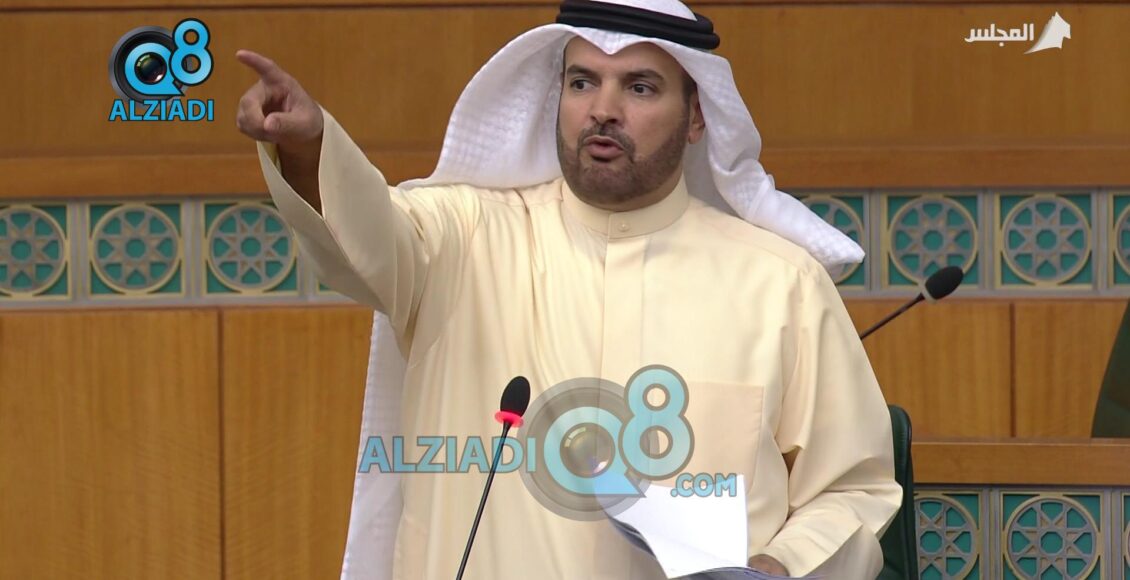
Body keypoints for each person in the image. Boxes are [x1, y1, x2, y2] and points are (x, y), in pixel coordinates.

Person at [236, 0, 901, 578]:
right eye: (583, 82)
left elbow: (854, 489)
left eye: (640, 87)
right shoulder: (459, 238)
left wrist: (778, 566)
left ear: (697, 117)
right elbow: (363, 237)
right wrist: (310, 148)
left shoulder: (780, 284)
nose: (603, 110)